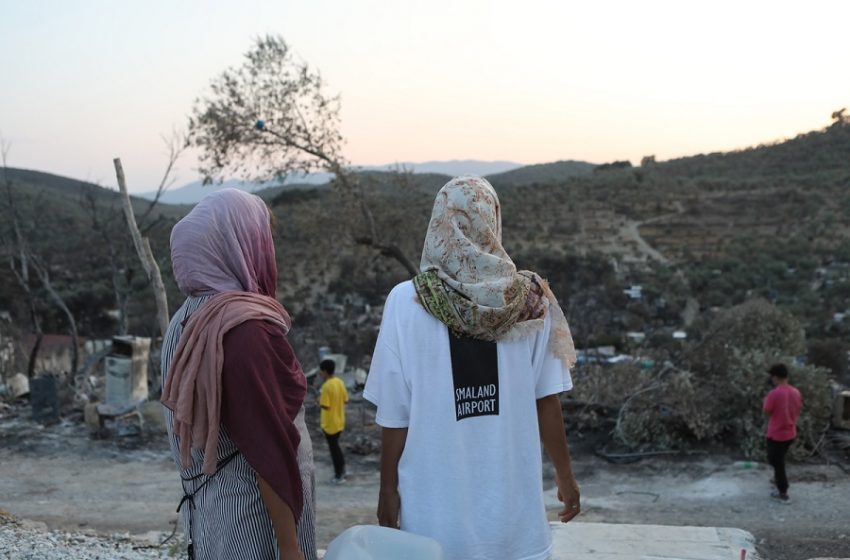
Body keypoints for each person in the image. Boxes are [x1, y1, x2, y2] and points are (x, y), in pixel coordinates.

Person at [364, 176, 581, 560]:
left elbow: (395, 415)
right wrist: (565, 477)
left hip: (433, 524)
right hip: (515, 527)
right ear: (492, 221)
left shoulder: (406, 302)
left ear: (440, 224)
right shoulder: (530, 302)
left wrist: (387, 491)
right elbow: (546, 401)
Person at [160, 189, 316, 560]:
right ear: (238, 246)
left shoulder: (187, 321)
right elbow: (268, 449)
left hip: (212, 515)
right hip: (256, 526)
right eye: (262, 238)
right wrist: (290, 547)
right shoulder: (243, 330)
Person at [763, 362, 802, 503]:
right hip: (790, 433)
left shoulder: (774, 393)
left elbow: (767, 411)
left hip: (776, 434)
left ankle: (783, 492)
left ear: (775, 377)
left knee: (777, 462)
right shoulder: (796, 392)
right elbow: (798, 409)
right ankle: (780, 485)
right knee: (778, 461)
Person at [319, 358, 349, 483]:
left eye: (321, 371)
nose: (320, 373)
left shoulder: (326, 386)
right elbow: (346, 400)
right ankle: (342, 471)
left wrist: (318, 401)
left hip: (329, 424)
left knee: (334, 449)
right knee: (336, 447)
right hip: (339, 421)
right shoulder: (340, 382)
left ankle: (338, 475)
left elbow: (325, 405)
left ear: (325, 371)